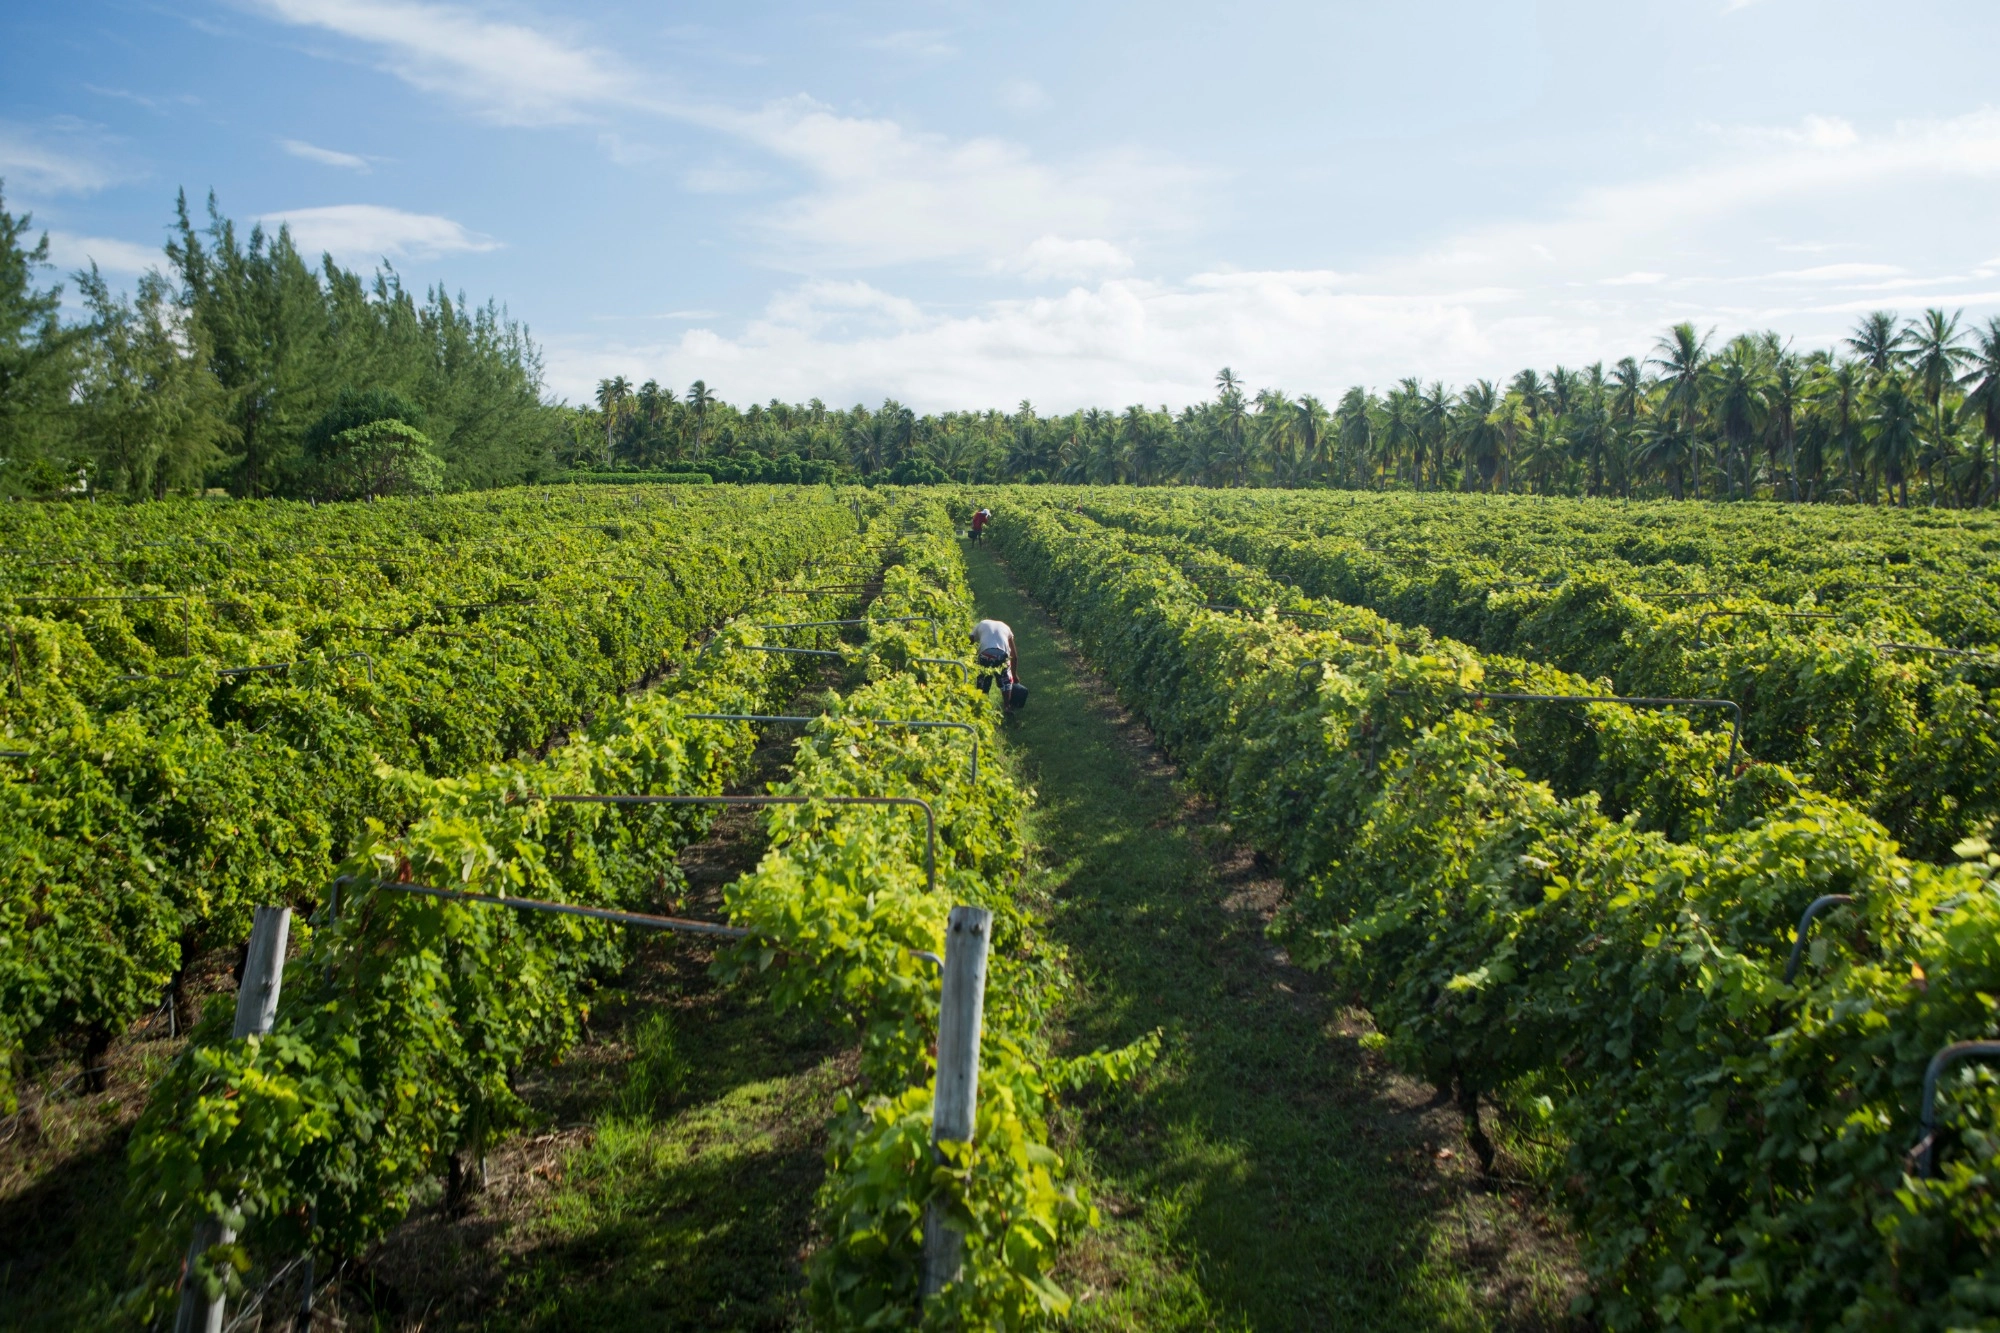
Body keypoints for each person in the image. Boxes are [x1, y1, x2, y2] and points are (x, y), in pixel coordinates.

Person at [971, 616, 1019, 698]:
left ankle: (982, 701)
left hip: (985, 653)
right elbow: (1014, 656)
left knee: (983, 677)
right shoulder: (1006, 628)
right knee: (1005, 678)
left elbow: (970, 640)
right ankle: (1007, 706)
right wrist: (1014, 675)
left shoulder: (981, 623)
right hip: (1002, 654)